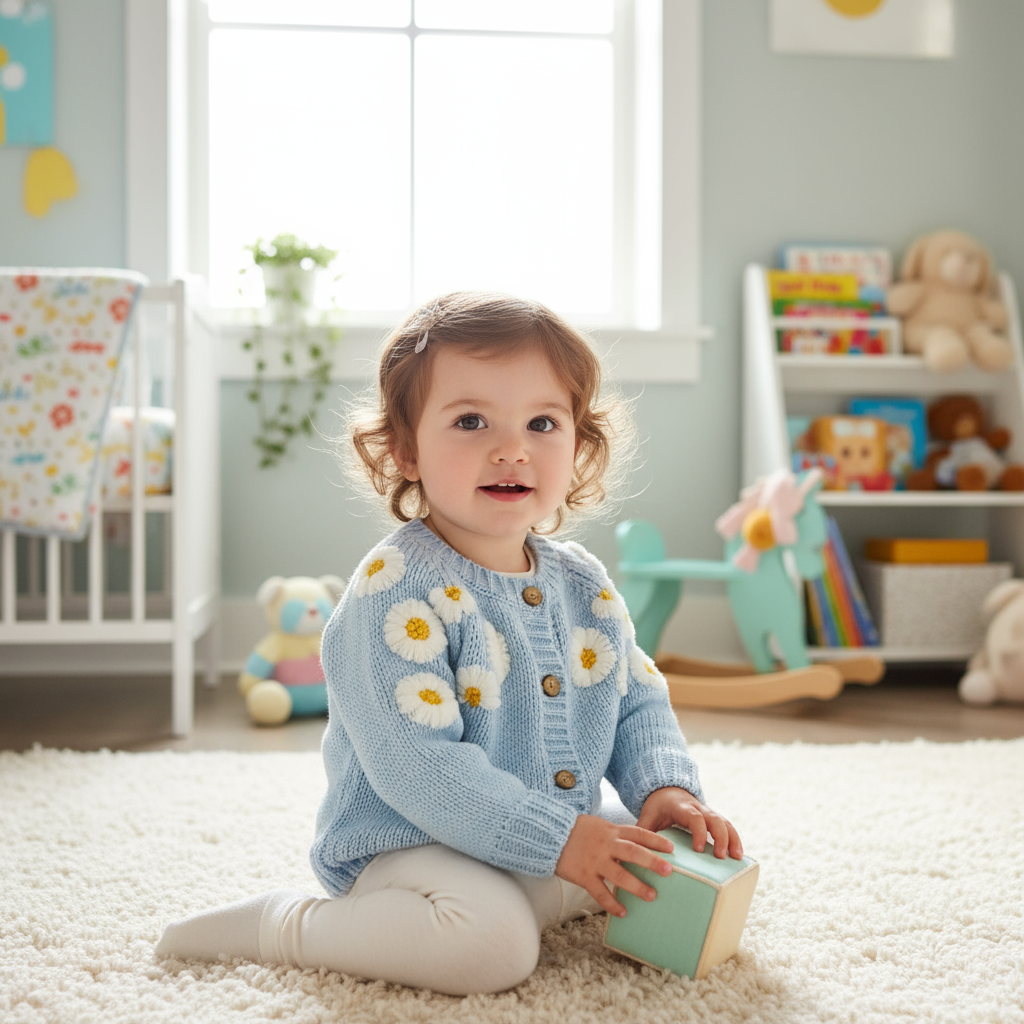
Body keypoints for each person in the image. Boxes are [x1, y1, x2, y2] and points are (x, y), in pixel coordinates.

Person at [156, 291, 744, 995]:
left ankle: (540, 885)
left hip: (540, 829)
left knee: (667, 852)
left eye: (542, 422)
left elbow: (634, 701)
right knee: (492, 950)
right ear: (404, 450)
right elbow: (420, 769)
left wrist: (666, 788)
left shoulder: (581, 582)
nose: (512, 448)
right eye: (470, 421)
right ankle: (287, 923)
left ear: (578, 446)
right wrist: (563, 841)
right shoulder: (393, 594)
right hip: (412, 843)